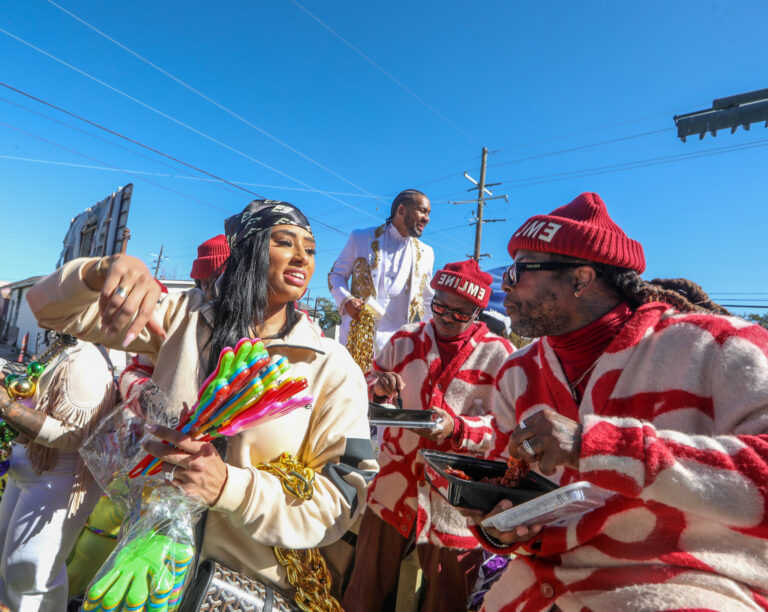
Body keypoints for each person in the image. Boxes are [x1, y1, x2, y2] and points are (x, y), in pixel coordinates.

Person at [27, 199, 377, 608]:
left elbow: (344, 498)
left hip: (234, 591)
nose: (302, 256)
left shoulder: (329, 366)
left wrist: (231, 488)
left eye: (311, 249)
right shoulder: (185, 320)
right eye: (285, 242)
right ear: (247, 249)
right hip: (141, 567)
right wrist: (98, 271)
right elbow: (48, 310)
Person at [454, 192, 768, 611]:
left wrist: (602, 447)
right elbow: (505, 486)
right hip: (542, 584)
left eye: (518, 271)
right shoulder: (518, 373)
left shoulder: (717, 347)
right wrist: (499, 525)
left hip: (696, 584)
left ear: (580, 279)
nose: (503, 286)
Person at [343, 260, 514, 612]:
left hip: (455, 503)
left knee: (445, 601)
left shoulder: (499, 356)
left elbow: (506, 430)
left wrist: (459, 428)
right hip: (392, 490)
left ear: (478, 311)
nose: (447, 318)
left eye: (461, 313)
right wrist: (380, 387)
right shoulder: (404, 340)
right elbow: (367, 383)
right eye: (440, 306)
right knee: (362, 593)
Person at [0, 334, 116, 611]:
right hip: (27, 467)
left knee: (29, 574)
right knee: (9, 564)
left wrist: (5, 406)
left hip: (58, 480)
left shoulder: (90, 360)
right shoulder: (67, 342)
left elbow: (72, 435)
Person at [328, 189, 434, 370]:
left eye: (428, 214)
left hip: (399, 349)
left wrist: (431, 342)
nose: (427, 218)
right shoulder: (360, 238)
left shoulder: (426, 253)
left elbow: (427, 299)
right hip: (357, 342)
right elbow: (336, 275)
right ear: (402, 211)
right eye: (422, 211)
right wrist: (346, 300)